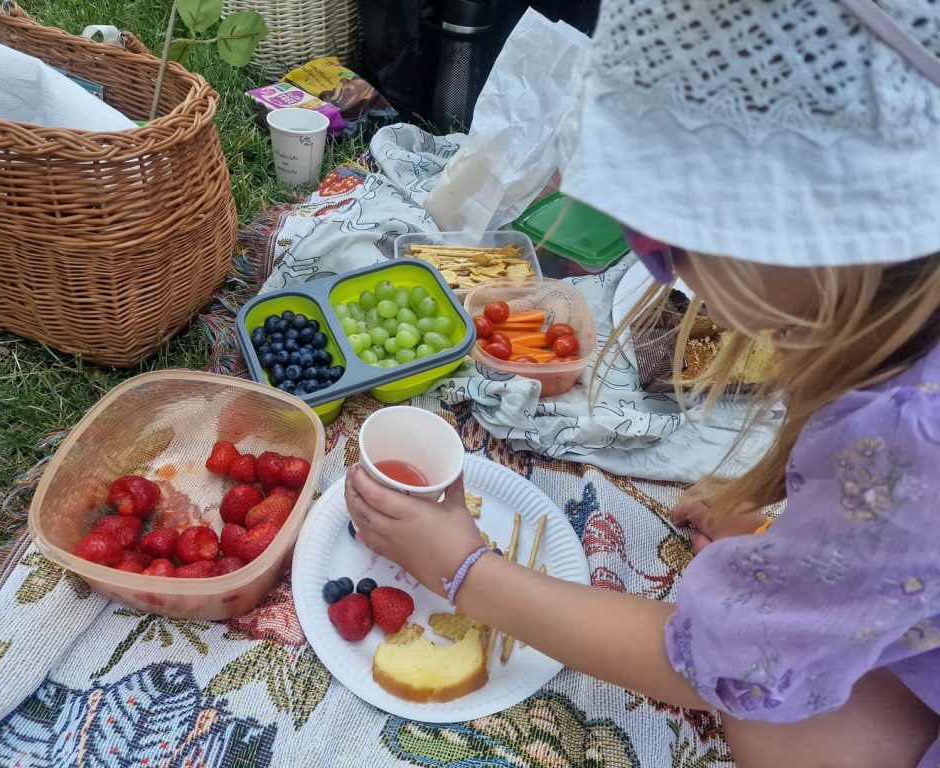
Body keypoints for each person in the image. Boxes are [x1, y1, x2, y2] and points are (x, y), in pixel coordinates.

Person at [346, 1, 940, 766]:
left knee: (777, 732)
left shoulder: (907, 443)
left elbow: (713, 668)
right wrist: (803, 536)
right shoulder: (891, 333)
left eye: (679, 244)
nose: (667, 273)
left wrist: (464, 569)